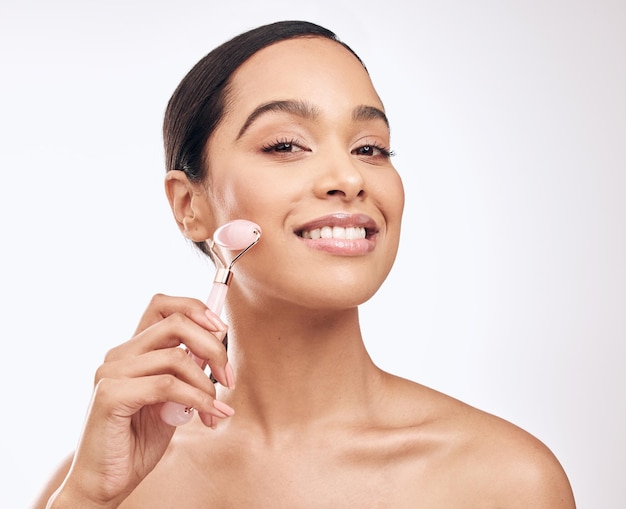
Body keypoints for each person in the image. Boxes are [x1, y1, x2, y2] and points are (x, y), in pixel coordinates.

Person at [35, 20, 575, 508]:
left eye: (370, 148)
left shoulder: (506, 481)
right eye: (288, 144)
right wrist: (85, 499)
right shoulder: (108, 481)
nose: (350, 176)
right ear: (188, 205)